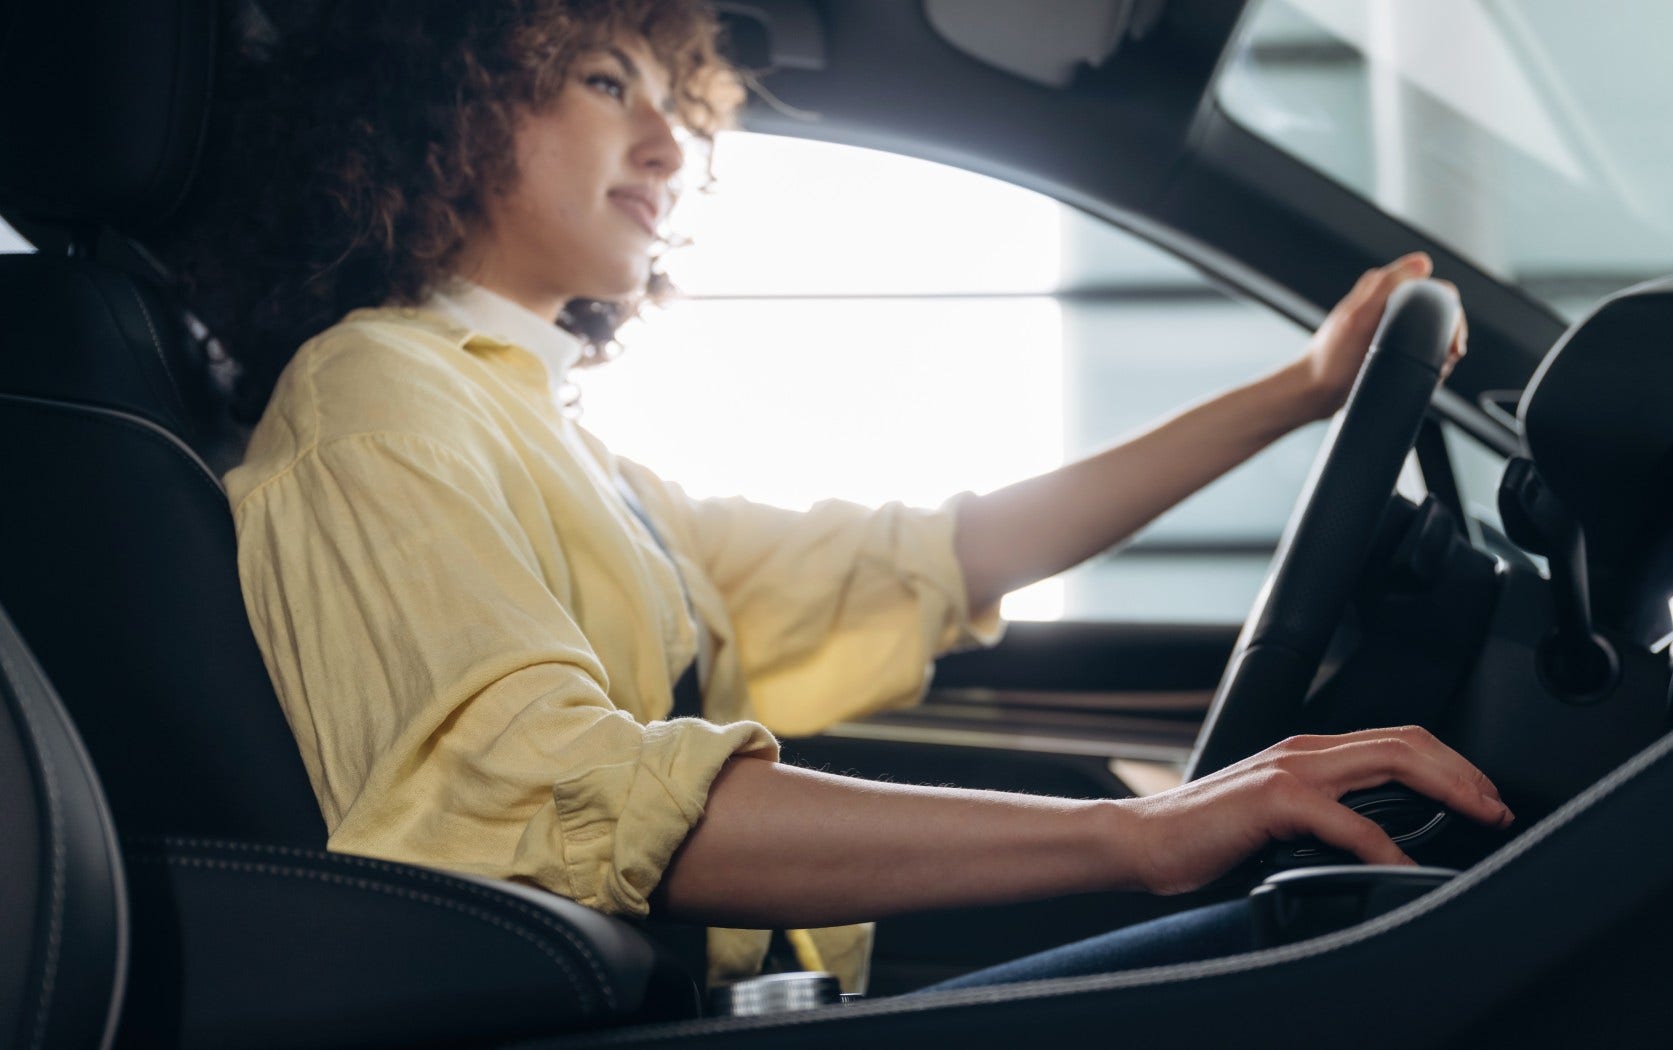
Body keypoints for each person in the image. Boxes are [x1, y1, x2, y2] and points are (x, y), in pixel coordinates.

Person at [166, 0, 1501, 994]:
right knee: (1368, 952)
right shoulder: (376, 401)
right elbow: (551, 794)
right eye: (600, 79)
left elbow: (937, 554)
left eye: (667, 98)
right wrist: (1144, 834)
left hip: (726, 1001)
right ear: (436, 109)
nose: (665, 144)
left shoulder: (564, 447)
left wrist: (1301, 389)